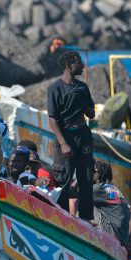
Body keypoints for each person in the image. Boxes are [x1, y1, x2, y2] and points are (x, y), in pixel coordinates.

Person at [47, 50, 95, 221]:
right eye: (78, 62)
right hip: (65, 138)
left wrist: (83, 104)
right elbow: (53, 119)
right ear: (69, 65)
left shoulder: (83, 87)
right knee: (63, 180)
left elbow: (92, 114)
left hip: (83, 136)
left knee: (86, 178)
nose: (82, 66)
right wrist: (63, 143)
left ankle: (86, 219)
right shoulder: (55, 89)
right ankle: (62, 218)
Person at [91, 161, 131, 259]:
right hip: (122, 238)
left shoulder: (97, 189)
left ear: (97, 174)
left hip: (111, 233)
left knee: (88, 202)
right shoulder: (115, 189)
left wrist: (80, 178)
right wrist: (128, 241)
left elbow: (72, 192)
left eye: (91, 171)